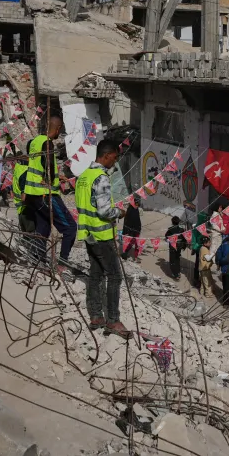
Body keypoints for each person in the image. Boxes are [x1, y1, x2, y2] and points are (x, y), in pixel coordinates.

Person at [76, 139, 129, 338]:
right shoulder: (101, 178)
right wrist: (119, 213)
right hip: (102, 235)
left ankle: (96, 316)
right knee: (114, 276)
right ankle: (113, 320)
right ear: (106, 156)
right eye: (113, 159)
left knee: (96, 274)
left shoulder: (83, 176)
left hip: (87, 234)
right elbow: (105, 210)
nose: (114, 163)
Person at [24, 115, 77, 267]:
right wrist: (50, 180)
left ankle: (38, 260)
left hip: (32, 193)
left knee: (43, 226)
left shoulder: (34, 142)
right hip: (45, 194)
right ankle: (62, 264)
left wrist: (56, 177)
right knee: (70, 228)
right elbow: (47, 167)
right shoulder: (47, 144)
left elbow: (38, 166)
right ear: (58, 128)